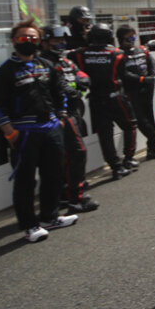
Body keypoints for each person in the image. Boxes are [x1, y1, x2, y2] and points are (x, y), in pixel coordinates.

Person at [0, 19, 78, 243]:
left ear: (39, 41)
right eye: (23, 38)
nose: (28, 41)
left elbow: (60, 92)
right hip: (24, 132)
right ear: (13, 41)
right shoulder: (4, 72)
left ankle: (50, 217)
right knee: (25, 181)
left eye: (33, 38)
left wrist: (61, 117)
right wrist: (9, 131)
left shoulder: (46, 65)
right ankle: (29, 225)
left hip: (51, 128)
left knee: (54, 175)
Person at [72, 22, 139, 179]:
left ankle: (116, 167)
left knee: (105, 134)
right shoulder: (117, 54)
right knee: (130, 125)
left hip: (95, 99)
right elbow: (123, 75)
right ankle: (128, 159)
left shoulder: (78, 54)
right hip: (116, 97)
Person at [43, 23, 99, 213]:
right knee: (77, 152)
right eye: (56, 40)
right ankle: (75, 198)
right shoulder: (44, 63)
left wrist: (81, 81)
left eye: (62, 39)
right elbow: (59, 88)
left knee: (69, 155)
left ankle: (67, 194)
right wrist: (73, 89)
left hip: (74, 112)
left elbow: (82, 75)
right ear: (45, 42)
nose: (61, 43)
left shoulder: (65, 61)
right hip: (60, 114)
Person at [117, 25, 155, 160]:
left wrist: (151, 78)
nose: (132, 39)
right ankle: (149, 148)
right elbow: (123, 74)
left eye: (133, 36)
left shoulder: (142, 50)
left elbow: (152, 65)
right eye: (128, 37)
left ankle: (152, 150)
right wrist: (141, 79)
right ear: (121, 39)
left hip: (148, 91)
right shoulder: (119, 54)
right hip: (132, 93)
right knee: (144, 124)